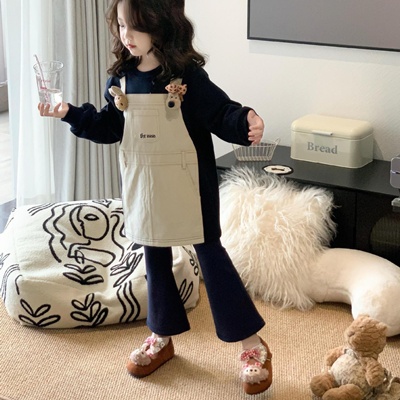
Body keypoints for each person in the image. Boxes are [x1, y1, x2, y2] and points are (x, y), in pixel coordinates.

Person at [38, 0, 272, 395]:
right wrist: (68, 113)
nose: (126, 35)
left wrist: (246, 121)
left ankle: (252, 344)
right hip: (143, 182)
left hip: (190, 182)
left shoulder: (187, 77)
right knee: (154, 255)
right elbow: (109, 127)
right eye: (121, 26)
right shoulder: (121, 79)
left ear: (161, 25)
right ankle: (161, 337)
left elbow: (221, 113)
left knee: (210, 255)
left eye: (136, 26)